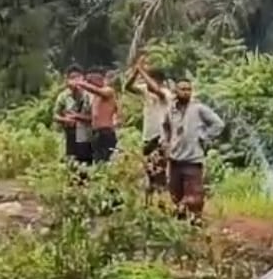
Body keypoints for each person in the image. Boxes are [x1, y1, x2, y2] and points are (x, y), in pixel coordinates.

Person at [161, 78, 225, 219]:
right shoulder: (171, 110)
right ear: (175, 91)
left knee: (195, 196)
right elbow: (165, 126)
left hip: (193, 159)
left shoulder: (199, 109)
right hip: (175, 159)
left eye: (188, 89)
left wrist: (204, 136)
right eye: (182, 89)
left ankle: (196, 221)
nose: (186, 92)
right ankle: (181, 222)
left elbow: (218, 124)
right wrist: (165, 142)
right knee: (175, 194)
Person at [126, 57, 171, 193]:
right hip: (148, 135)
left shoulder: (165, 93)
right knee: (149, 168)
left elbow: (155, 89)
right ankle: (152, 197)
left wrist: (141, 71)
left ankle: (161, 196)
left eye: (148, 79)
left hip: (161, 136)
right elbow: (128, 87)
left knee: (159, 169)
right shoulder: (146, 91)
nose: (144, 82)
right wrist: (136, 72)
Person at [75, 66, 119, 163]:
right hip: (96, 132)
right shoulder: (95, 97)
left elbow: (97, 90)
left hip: (105, 132)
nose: (91, 81)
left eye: (93, 79)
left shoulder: (108, 90)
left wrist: (81, 83)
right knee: (98, 160)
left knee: (105, 160)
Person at [53, 66, 84, 162]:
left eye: (78, 77)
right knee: (70, 158)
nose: (75, 80)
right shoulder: (63, 96)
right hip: (69, 131)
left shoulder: (87, 94)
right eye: (72, 77)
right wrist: (65, 120)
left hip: (85, 132)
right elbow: (55, 115)